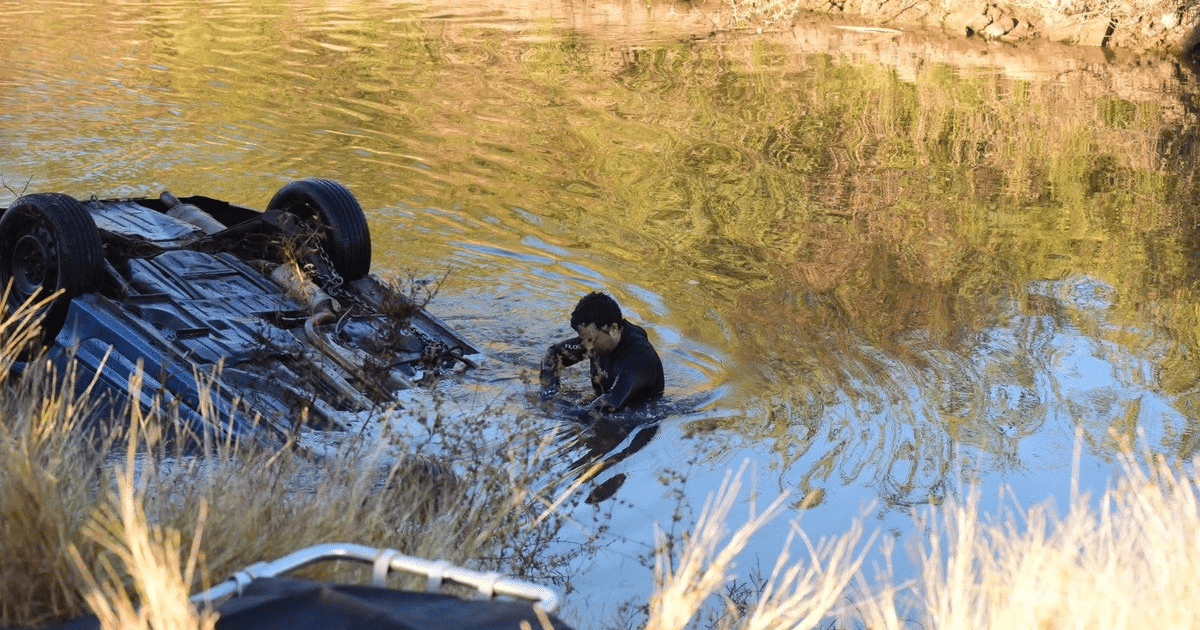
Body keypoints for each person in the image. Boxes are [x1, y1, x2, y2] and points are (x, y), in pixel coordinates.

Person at [539, 291, 664, 412]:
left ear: (613, 329)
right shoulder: (594, 340)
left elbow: (613, 403)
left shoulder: (639, 357)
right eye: (582, 339)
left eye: (591, 340)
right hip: (603, 399)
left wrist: (563, 408)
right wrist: (550, 390)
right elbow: (553, 354)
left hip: (633, 417)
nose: (586, 346)